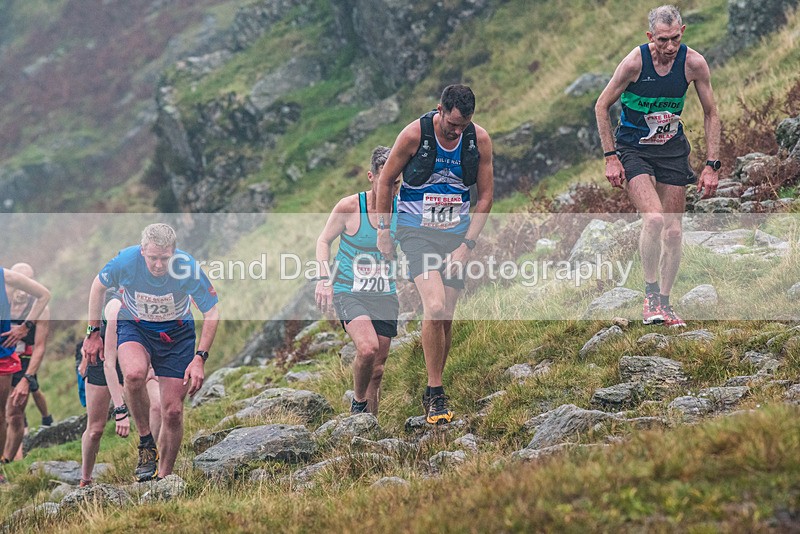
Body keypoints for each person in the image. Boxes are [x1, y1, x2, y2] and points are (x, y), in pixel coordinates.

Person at [595, 4, 721, 328]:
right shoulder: (635, 62)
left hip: (671, 151)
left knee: (675, 232)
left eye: (674, 39)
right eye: (662, 40)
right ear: (651, 36)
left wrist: (712, 165)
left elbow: (711, 113)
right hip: (633, 149)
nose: (668, 47)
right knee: (653, 219)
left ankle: (665, 302)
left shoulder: (693, 63)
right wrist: (611, 157)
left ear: (683, 33)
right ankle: (649, 295)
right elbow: (601, 105)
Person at [376, 84, 494, 424]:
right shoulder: (415, 135)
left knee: (447, 315)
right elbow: (386, 181)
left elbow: (485, 197)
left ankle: (433, 387)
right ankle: (436, 392)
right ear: (438, 110)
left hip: (455, 236)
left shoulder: (478, 140)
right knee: (435, 305)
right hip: (417, 233)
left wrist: (466, 246)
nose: (456, 132)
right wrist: (384, 231)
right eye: (451, 125)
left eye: (463, 126)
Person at [83, 223, 219, 482]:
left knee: (173, 411)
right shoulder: (126, 261)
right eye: (153, 258)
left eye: (164, 258)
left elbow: (211, 311)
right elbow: (97, 286)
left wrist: (200, 357)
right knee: (133, 374)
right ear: (143, 250)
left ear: (173, 253)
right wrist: (93, 332)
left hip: (176, 337)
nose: (158, 265)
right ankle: (146, 442)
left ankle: (164, 478)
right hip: (136, 328)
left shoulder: (187, 267)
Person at [315, 146, 401, 416]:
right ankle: (359, 404)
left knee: (378, 369)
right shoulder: (350, 206)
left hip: (384, 293)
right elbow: (323, 240)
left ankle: (369, 429)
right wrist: (323, 279)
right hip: (348, 290)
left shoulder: (403, 207)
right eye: (386, 181)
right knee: (367, 349)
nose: (392, 188)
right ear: (371, 177)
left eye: (396, 182)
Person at [78, 290, 162, 487]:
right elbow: (109, 364)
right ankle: (85, 479)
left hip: (137, 357)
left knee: (157, 406)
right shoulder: (116, 308)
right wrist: (120, 410)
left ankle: (150, 459)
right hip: (105, 359)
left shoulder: (154, 303)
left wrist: (153, 366)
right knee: (95, 429)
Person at [0, 264, 50, 481]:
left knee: (13, 413)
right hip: (10, 358)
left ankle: (6, 462)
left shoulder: (40, 309)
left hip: (21, 362)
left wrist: (28, 378)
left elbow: (39, 347)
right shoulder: (8, 299)